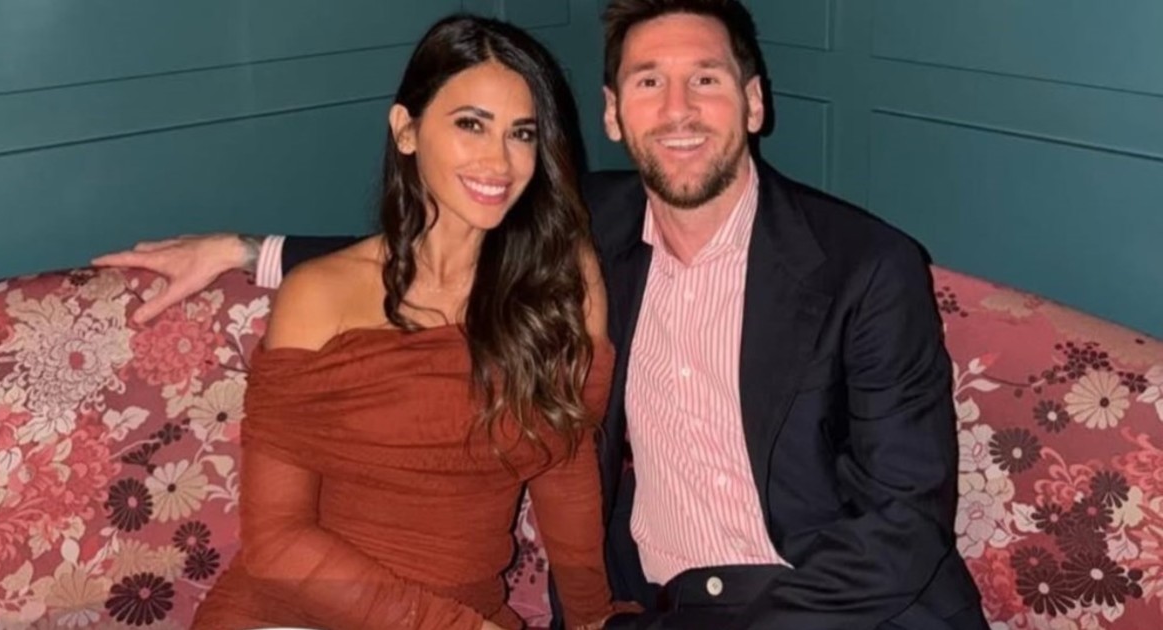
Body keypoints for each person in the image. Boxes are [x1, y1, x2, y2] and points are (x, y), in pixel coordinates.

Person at [97, 1, 987, 628]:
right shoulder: (586, 235)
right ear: (613, 114)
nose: (678, 111)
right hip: (662, 605)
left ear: (754, 102)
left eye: (707, 80)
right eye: (648, 82)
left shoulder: (865, 266)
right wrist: (246, 249)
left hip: (835, 606)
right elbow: (433, 239)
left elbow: (904, 525)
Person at [175, 14, 630, 630]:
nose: (498, 160)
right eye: (471, 124)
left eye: (521, 133)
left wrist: (591, 616)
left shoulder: (559, 282)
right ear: (407, 130)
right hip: (296, 613)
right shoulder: (320, 295)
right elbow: (278, 543)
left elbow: (564, 467)